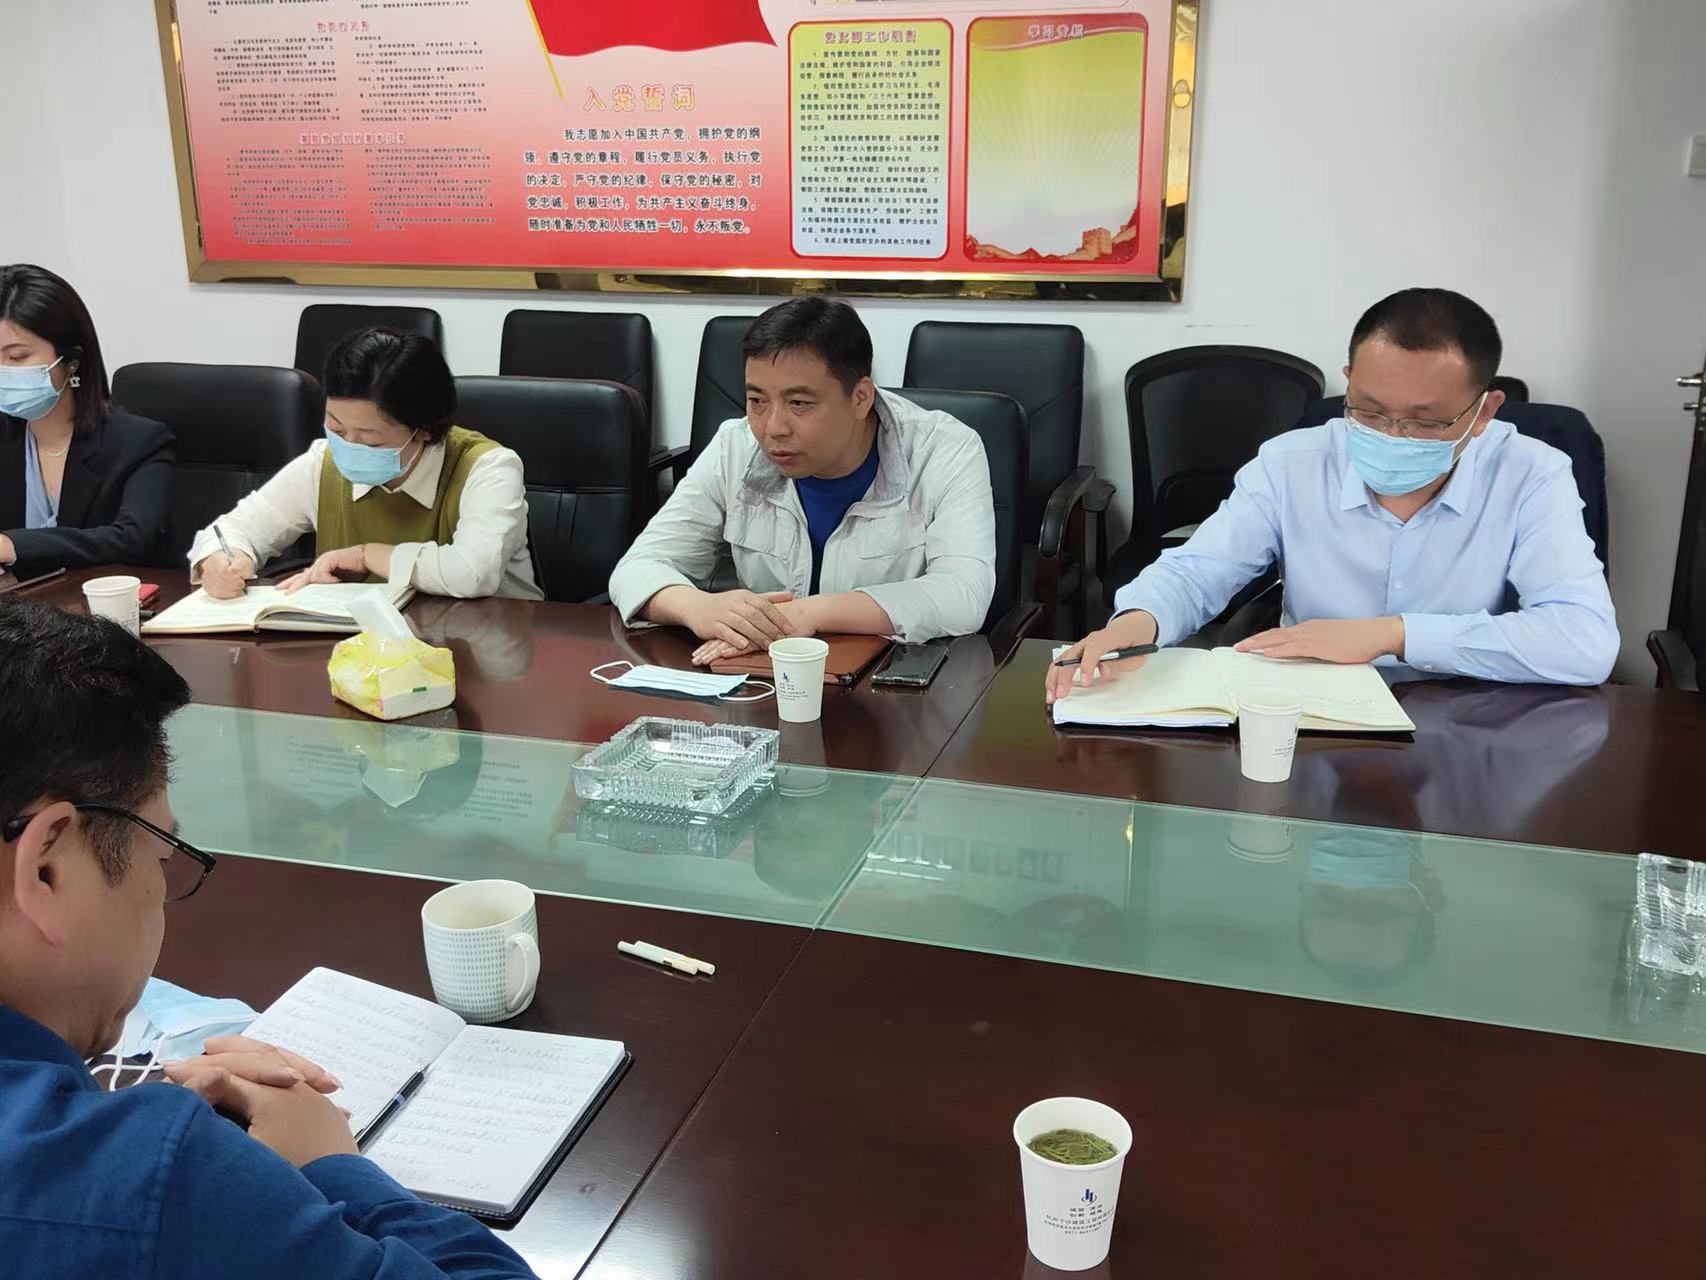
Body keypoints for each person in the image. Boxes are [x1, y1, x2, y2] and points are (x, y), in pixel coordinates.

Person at [0, 600, 535, 1278]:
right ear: (46, 869)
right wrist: (331, 1164)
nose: (160, 889)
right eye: (160, 854)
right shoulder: (159, 1178)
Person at [1048, 288, 1618, 701]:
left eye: (1426, 422)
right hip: (1311, 708)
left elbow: (1584, 640)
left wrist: (1392, 635)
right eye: (1369, 411)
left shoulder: (1532, 474)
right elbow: (1199, 570)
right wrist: (1136, 622)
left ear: (1484, 411)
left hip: (1465, 711)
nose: (1393, 435)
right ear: (1349, 381)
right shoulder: (1292, 462)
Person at [608, 297, 995, 659]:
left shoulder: (944, 449)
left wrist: (809, 613)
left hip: (893, 681)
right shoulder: (735, 446)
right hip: (765, 678)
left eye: (799, 403)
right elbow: (637, 569)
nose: (773, 428)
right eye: (757, 401)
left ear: (860, 398)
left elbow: (963, 594)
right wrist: (699, 607)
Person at [190, 326, 541, 601]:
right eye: (336, 428)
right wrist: (220, 561)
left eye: (371, 440)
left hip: (488, 649)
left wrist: (366, 555)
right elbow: (233, 530)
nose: (349, 446)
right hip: (360, 652)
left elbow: (473, 573)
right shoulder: (323, 464)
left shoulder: (488, 468)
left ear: (424, 430)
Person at [0, 264, 173, 576]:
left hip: (93, 601)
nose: (3, 371)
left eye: (16, 357)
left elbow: (133, 540)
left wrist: (15, 545)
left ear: (71, 361)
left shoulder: (138, 442)